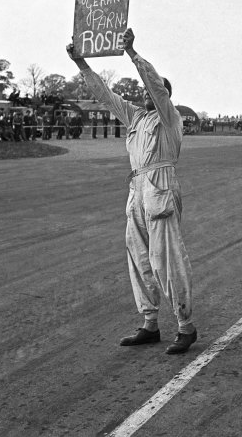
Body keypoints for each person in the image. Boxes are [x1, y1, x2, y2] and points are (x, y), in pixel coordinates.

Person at [66, 28, 196, 354]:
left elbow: (154, 85)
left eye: (152, 90)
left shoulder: (169, 117)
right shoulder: (136, 117)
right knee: (139, 259)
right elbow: (105, 95)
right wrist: (81, 63)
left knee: (166, 260)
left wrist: (133, 54)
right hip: (137, 189)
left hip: (161, 186)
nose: (144, 93)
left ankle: (185, 326)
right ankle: (150, 323)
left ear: (164, 95)